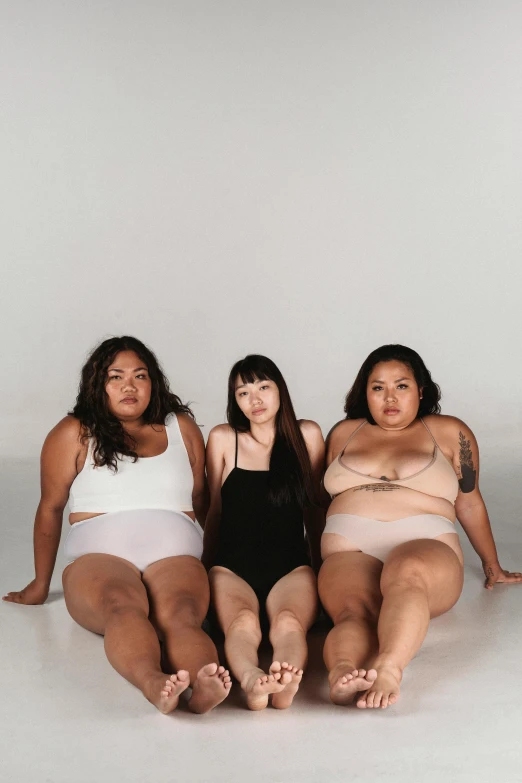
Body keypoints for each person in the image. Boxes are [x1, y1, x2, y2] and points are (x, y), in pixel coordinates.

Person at [3, 336, 231, 714]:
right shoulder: (74, 432)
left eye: (140, 376)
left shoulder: (181, 428)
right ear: (98, 384)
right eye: (116, 377)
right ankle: (153, 681)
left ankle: (205, 683)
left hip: (175, 556)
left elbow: (203, 501)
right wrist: (41, 583)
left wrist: (218, 559)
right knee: (121, 606)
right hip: (100, 558)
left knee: (184, 613)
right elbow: (50, 508)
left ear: (153, 383)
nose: (129, 386)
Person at [319, 344, 522, 710]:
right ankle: (341, 673)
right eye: (377, 387)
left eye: (402, 386)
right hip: (350, 550)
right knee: (351, 613)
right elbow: (321, 502)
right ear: (364, 393)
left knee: (407, 573)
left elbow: (470, 500)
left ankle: (389, 668)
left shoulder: (448, 432)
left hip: (424, 546)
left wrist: (493, 567)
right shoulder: (343, 433)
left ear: (421, 390)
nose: (389, 397)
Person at [203, 355, 325, 710]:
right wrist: (204, 567)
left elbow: (314, 510)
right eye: (243, 392)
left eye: (263, 387)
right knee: (242, 625)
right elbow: (214, 511)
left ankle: (286, 681)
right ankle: (252, 681)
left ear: (280, 391)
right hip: (231, 567)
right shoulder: (224, 439)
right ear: (235, 401)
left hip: (291, 566)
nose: (254, 400)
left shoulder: (308, 435)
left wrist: (322, 568)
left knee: (288, 624)